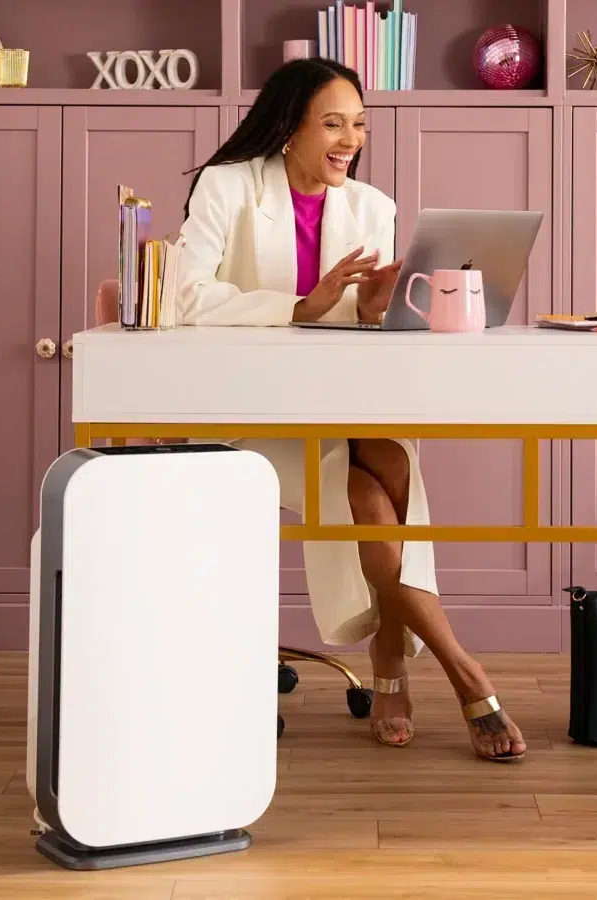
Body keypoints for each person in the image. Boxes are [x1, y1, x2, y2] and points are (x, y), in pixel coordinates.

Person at [174, 58, 526, 762]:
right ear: (287, 128)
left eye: (359, 124)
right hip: (251, 416)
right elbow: (187, 297)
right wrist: (297, 307)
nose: (350, 139)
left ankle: (400, 658)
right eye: (333, 123)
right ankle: (458, 671)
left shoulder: (372, 206)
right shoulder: (227, 188)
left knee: (387, 462)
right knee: (371, 489)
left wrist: (374, 312)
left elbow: (368, 334)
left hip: (341, 408)